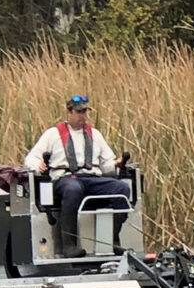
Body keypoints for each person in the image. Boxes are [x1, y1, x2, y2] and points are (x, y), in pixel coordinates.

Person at [22, 94, 133, 257]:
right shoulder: (53, 134)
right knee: (73, 188)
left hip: (92, 178)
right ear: (69, 112)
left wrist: (117, 163)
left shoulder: (94, 134)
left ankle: (112, 240)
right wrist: (37, 165)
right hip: (65, 178)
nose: (83, 116)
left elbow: (106, 166)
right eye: (79, 112)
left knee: (121, 188)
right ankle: (69, 245)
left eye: (85, 112)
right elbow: (31, 158)